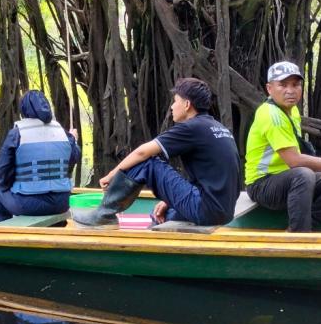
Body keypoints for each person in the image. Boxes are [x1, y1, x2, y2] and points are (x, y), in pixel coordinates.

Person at [73, 78, 240, 229]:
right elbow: (208, 178)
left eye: (175, 102)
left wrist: (111, 174)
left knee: (148, 163)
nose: (172, 107)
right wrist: (169, 201)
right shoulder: (218, 127)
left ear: (187, 105)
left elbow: (142, 152)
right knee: (164, 215)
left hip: (206, 209)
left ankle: (104, 215)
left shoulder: (192, 128)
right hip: (223, 212)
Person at [245, 61, 321, 232]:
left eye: (295, 85)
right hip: (262, 185)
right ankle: (298, 234)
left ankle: (308, 223)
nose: (290, 90)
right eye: (283, 85)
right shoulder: (271, 115)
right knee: (303, 174)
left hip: (288, 180)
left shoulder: (292, 111)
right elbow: (295, 161)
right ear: (269, 89)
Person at [0, 90, 80, 225]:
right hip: (61, 203)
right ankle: (56, 229)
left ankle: (2, 235)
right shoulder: (63, 132)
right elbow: (73, 158)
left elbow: (3, 173)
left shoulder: (17, 133)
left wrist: (9, 186)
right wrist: (73, 139)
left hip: (28, 205)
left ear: (23, 109)